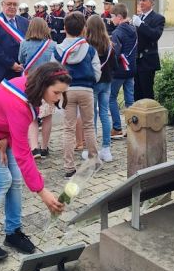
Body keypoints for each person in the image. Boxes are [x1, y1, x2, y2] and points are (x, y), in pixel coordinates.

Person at [0, 62, 70, 261]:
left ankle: (13, 233)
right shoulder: (19, 102)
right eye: (56, 92)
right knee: (3, 180)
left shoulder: (31, 88)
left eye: (61, 93)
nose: (58, 99)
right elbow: (23, 154)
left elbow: (6, 118)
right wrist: (42, 191)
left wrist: (5, 136)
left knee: (16, 180)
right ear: (44, 84)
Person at [53, 11, 101, 177]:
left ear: (64, 28)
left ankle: (69, 167)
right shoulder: (90, 49)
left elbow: (53, 71)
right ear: (83, 29)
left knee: (68, 128)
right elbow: (97, 71)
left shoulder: (58, 49)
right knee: (88, 126)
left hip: (67, 91)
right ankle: (94, 160)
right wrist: (91, 82)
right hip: (86, 89)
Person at [18, 17, 55, 158]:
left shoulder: (24, 44)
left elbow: (21, 60)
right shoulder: (52, 45)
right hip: (48, 84)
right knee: (47, 116)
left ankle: (34, 148)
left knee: (32, 117)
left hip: (31, 83)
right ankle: (45, 147)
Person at [86, 14, 117, 161]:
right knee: (105, 114)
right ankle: (106, 149)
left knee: (92, 117)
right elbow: (115, 66)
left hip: (92, 83)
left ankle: (93, 150)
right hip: (107, 82)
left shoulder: (87, 45)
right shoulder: (109, 44)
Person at [110, 3, 137, 138]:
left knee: (111, 97)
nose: (111, 19)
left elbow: (115, 53)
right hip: (131, 69)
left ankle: (117, 128)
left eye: (113, 16)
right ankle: (132, 128)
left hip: (119, 71)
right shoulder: (133, 28)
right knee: (130, 100)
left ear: (119, 17)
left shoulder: (117, 32)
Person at [132, 0, 165, 100]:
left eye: (144, 0)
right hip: (136, 60)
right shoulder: (139, 17)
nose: (141, 2)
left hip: (147, 60)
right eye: (140, 0)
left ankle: (149, 116)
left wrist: (140, 25)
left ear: (151, 3)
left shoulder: (158, 18)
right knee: (136, 92)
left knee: (147, 93)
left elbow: (155, 35)